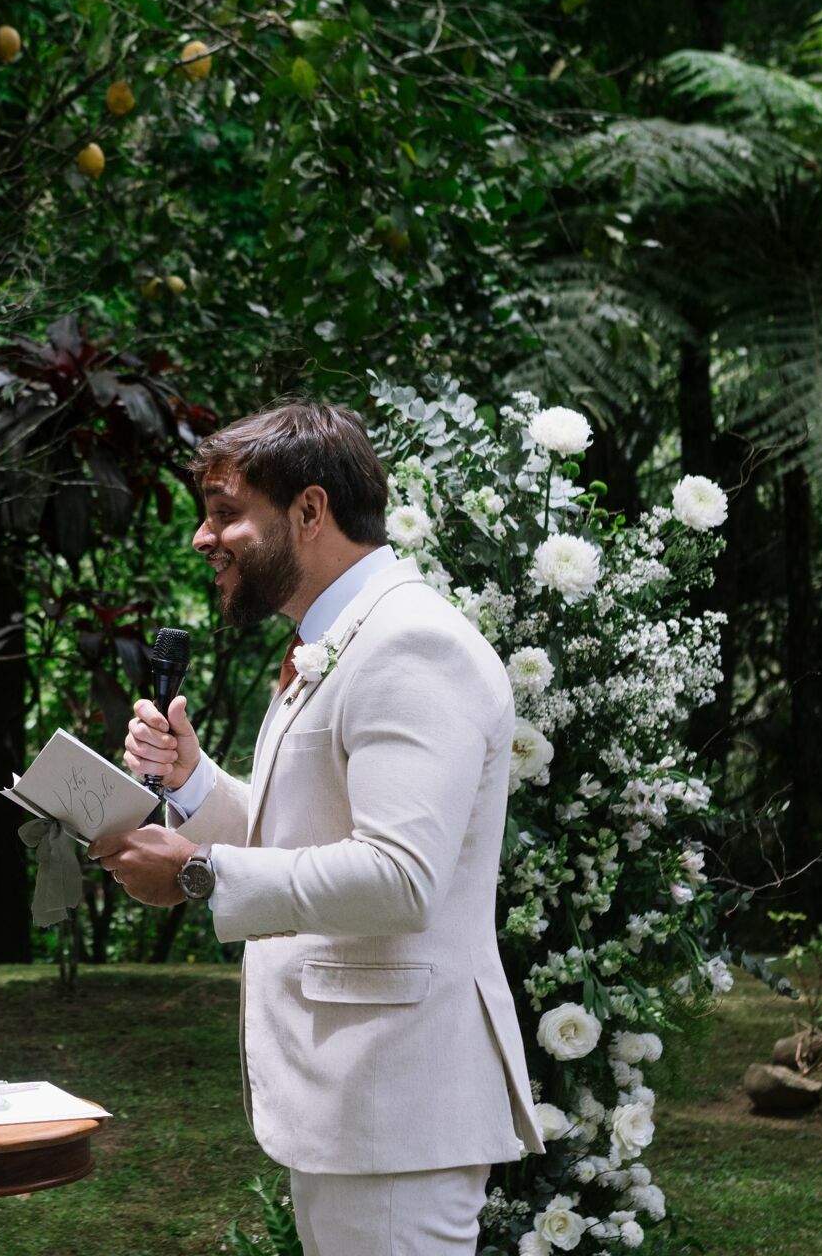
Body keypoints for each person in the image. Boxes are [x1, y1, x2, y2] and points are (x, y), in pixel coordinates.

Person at [92, 400, 542, 1256]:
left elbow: (401, 877)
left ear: (309, 510)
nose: (203, 537)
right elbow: (305, 832)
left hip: (395, 1105)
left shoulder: (411, 645)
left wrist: (198, 873)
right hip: (356, 1101)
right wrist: (194, 785)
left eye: (226, 513)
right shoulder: (337, 641)